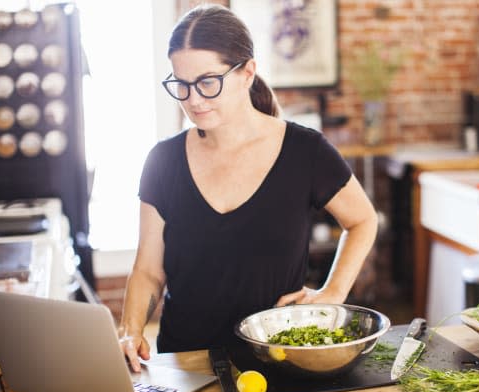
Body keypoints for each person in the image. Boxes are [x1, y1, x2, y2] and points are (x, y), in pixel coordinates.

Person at [119, 3, 378, 372]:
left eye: (207, 82)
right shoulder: (163, 161)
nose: (193, 99)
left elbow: (363, 220)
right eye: (181, 84)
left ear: (247, 73)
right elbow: (148, 270)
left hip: (278, 359)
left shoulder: (306, 151)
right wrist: (130, 331)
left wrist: (333, 294)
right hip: (184, 364)